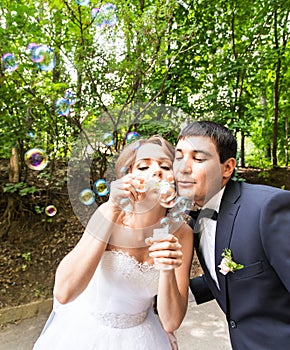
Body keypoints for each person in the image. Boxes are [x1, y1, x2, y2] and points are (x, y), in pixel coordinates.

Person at [33, 135, 193, 350]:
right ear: (128, 176)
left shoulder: (182, 234)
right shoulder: (109, 214)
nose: (156, 171)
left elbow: (171, 321)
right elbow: (64, 292)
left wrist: (166, 268)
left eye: (165, 166)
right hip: (85, 334)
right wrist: (111, 208)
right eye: (143, 166)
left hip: (142, 338)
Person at [173, 120, 290, 350]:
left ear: (227, 168)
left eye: (198, 159)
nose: (183, 168)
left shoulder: (267, 208)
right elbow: (250, 271)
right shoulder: (195, 216)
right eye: (178, 157)